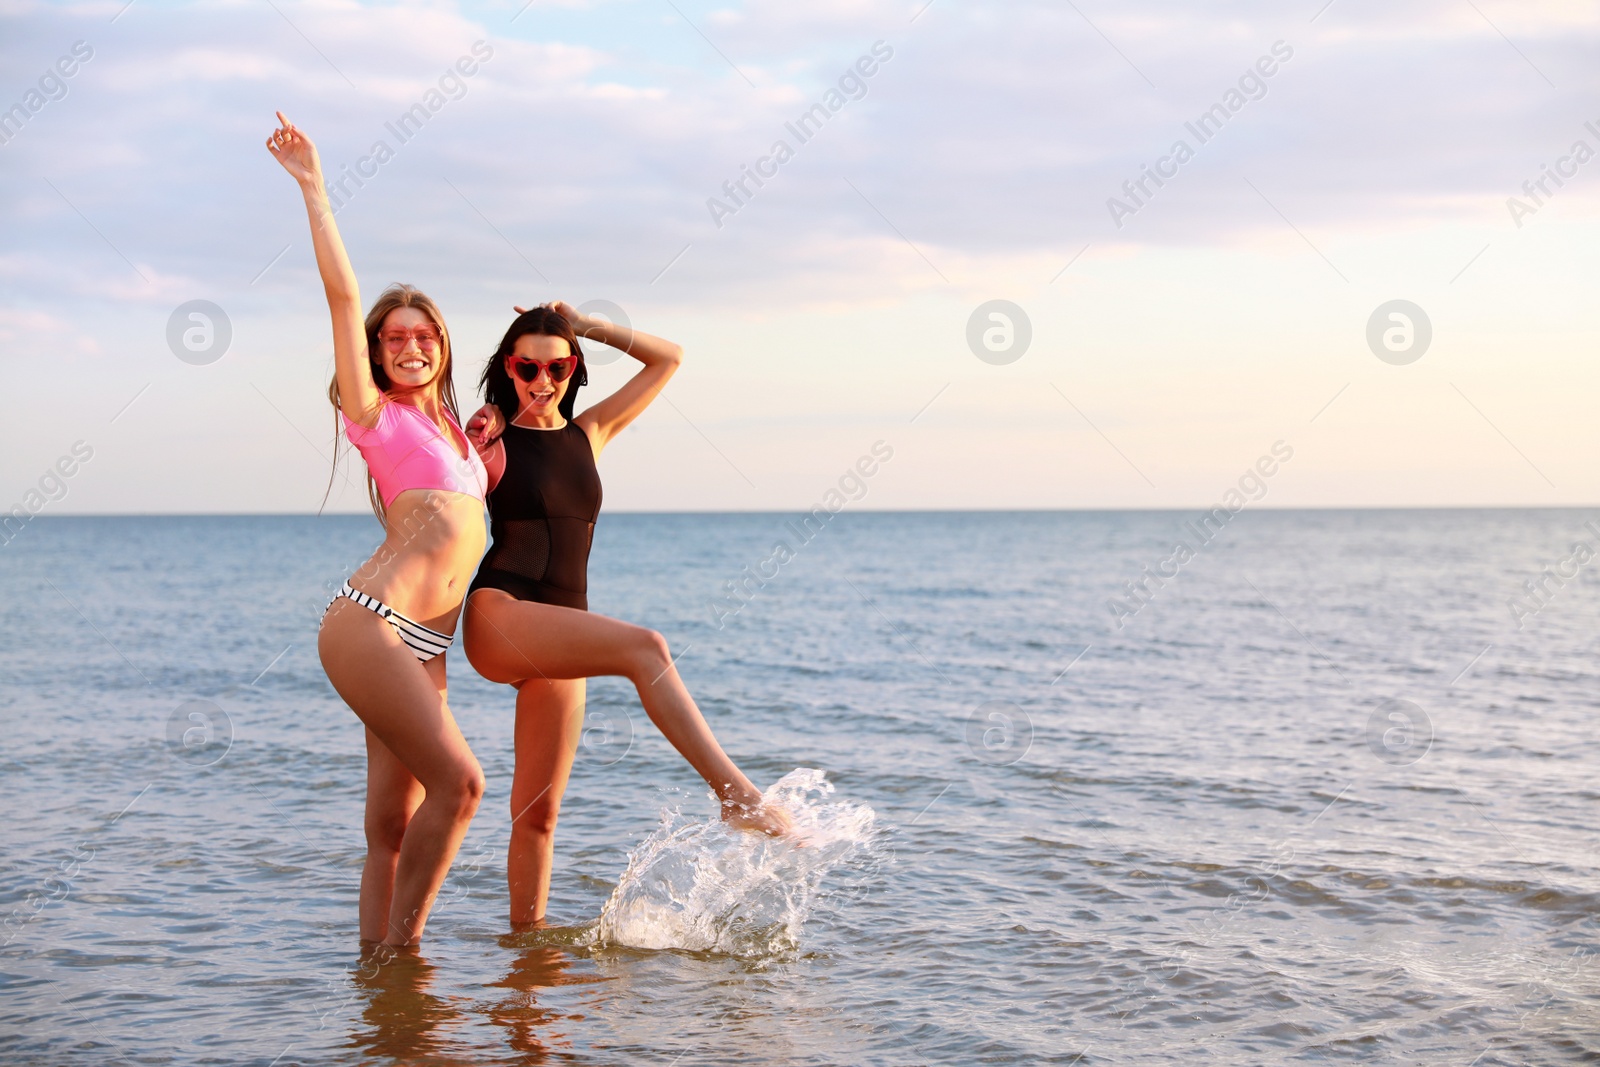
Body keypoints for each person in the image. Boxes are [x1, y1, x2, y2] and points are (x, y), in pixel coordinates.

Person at [462, 302, 791, 926]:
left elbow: (669, 358)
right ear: (508, 368)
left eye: (555, 367)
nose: (541, 380)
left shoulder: (589, 433)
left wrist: (587, 324)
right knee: (646, 647)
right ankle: (735, 795)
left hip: (560, 634)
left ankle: (526, 970)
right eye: (525, 366)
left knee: (538, 815)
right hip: (501, 613)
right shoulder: (489, 440)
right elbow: (440, 500)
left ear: (574, 367)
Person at [268, 112, 488, 946]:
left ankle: (379, 991)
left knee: (389, 828)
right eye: (394, 338)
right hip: (368, 624)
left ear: (441, 346)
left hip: (426, 646)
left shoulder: (466, 441)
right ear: (377, 351)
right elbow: (343, 295)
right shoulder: (376, 419)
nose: (408, 345)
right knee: (461, 786)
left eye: (422, 336)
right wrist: (315, 188)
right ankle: (405, 963)